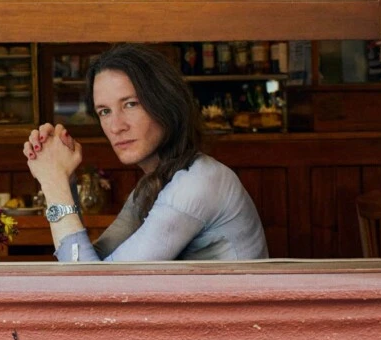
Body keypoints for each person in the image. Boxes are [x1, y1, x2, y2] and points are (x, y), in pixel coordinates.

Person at [22, 44, 268, 262]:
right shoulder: (153, 185)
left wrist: (53, 184)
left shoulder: (197, 183)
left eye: (131, 104)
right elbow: (92, 261)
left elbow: (91, 287)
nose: (116, 126)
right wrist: (65, 179)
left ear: (165, 103)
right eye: (104, 111)